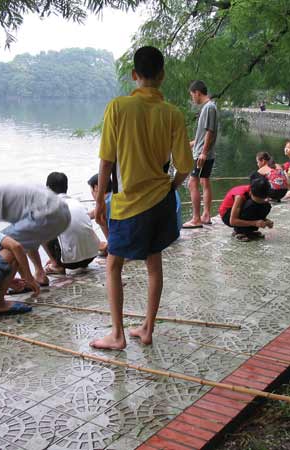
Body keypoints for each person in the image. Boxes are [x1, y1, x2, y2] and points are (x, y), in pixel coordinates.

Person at [90, 46, 193, 350]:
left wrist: (99, 202)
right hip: (160, 201)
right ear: (161, 76)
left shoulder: (118, 107)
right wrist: (171, 187)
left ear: (134, 75)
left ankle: (118, 335)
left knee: (113, 264)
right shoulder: (172, 113)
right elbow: (185, 166)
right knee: (154, 263)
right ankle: (147, 328)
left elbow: (107, 160)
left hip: (128, 203)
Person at [0, 176, 71, 288]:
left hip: (46, 215)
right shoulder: (8, 189)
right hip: (64, 215)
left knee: (7, 242)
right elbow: (25, 233)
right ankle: (40, 275)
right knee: (23, 237)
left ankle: (25, 282)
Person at [44, 172, 100, 274]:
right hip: (92, 256)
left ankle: (56, 265)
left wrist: (55, 257)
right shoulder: (77, 203)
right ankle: (66, 257)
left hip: (71, 263)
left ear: (47, 188)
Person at [182, 80, 218, 228]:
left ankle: (196, 218)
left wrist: (202, 152)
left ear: (197, 92)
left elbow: (209, 131)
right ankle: (206, 215)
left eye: (192, 95)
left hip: (203, 154)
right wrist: (190, 144)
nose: (193, 98)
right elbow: (202, 134)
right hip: (204, 152)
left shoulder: (209, 107)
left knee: (192, 183)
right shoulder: (210, 107)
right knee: (204, 181)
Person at [219, 176, 274, 241]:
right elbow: (232, 221)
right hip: (227, 216)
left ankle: (249, 231)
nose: (261, 200)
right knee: (251, 205)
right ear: (250, 193)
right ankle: (239, 231)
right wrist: (255, 223)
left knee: (266, 205)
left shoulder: (259, 192)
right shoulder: (240, 196)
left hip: (242, 212)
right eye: (258, 199)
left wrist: (266, 221)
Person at [88, 173, 112, 256]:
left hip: (123, 242)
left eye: (91, 190)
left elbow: (95, 213)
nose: (91, 193)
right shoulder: (113, 197)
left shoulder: (103, 206)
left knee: (99, 217)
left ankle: (112, 248)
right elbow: (91, 214)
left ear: (96, 188)